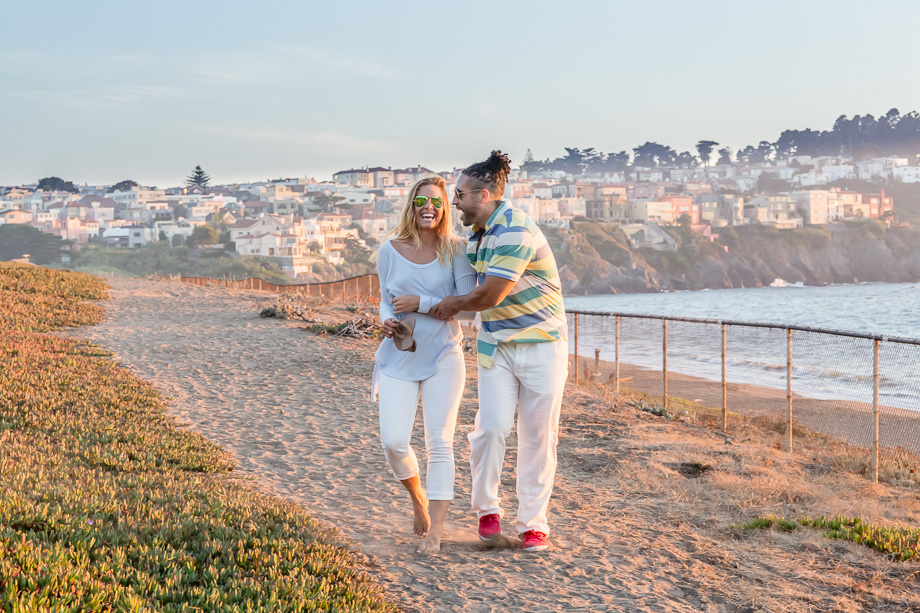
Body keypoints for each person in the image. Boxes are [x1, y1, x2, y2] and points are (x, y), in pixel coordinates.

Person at [430, 151, 568, 553]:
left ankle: (533, 525)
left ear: (484, 194)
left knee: (538, 436)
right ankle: (487, 509)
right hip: (495, 347)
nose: (454, 202)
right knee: (490, 429)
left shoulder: (514, 230)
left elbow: (490, 294)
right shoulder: (478, 234)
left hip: (542, 344)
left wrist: (452, 306)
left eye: (459, 195)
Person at [373, 176, 476, 554]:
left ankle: (436, 533)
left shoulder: (457, 250)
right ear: (411, 206)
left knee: (440, 443)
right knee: (394, 441)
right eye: (421, 201)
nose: (428, 207)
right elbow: (386, 298)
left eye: (436, 201)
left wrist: (421, 301)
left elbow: (465, 307)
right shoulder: (390, 249)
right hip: (399, 353)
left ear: (445, 206)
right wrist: (385, 318)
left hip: (444, 355)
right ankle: (418, 500)